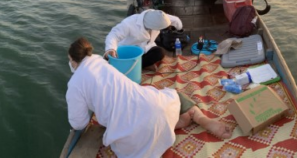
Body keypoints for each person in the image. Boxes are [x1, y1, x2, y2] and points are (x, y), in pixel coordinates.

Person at [66, 38, 233, 157]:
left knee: (125, 124)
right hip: (158, 109)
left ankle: (171, 125)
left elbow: (79, 123)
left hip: (132, 140)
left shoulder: (74, 84)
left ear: (73, 60)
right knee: (172, 95)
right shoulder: (102, 63)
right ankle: (201, 118)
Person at [104, 9, 183, 70]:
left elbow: (175, 20)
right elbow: (113, 35)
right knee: (125, 60)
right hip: (129, 51)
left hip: (145, 47)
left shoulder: (158, 16)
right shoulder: (129, 23)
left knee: (160, 52)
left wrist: (180, 29)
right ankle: (136, 67)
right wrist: (111, 49)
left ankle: (139, 66)